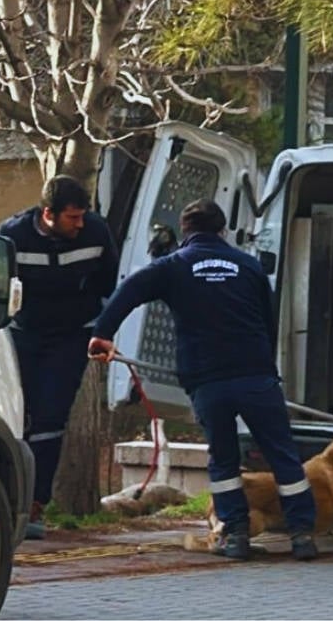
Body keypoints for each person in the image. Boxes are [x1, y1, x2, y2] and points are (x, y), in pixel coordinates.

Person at [87, 198, 318, 561]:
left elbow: (128, 291)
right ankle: (303, 534)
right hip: (255, 375)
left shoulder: (173, 266)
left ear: (185, 232)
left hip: (208, 379)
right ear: (223, 231)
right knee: (282, 456)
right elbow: (269, 321)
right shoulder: (249, 265)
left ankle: (235, 535)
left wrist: (103, 333)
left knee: (223, 459)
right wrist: (265, 365)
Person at [0, 175, 119, 540]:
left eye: (83, 216)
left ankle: (35, 505)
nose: (80, 224)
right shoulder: (12, 235)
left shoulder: (96, 233)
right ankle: (7, 498)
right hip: (22, 335)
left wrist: (97, 328)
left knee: (51, 418)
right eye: (73, 218)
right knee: (19, 415)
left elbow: (107, 283)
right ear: (48, 214)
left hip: (70, 337)